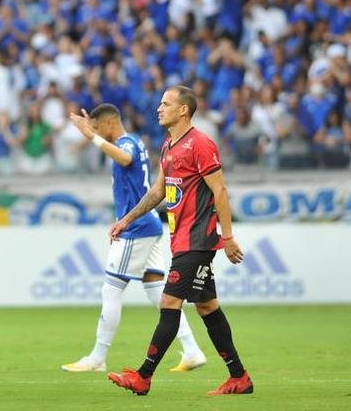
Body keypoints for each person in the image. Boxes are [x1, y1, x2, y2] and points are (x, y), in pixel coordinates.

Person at [107, 86, 252, 397]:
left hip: (197, 239)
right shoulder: (169, 144)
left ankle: (143, 376)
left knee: (169, 302)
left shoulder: (200, 144)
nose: (159, 108)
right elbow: (158, 192)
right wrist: (126, 220)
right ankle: (239, 377)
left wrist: (227, 237)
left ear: (183, 110)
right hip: (182, 238)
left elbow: (220, 191)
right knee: (207, 306)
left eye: (166, 103)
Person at [61, 104, 205, 373]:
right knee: (158, 293)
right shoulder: (137, 140)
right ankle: (192, 350)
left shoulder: (127, 143)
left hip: (136, 227)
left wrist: (91, 136)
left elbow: (124, 159)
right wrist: (91, 133)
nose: (93, 133)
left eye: (96, 127)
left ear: (108, 124)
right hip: (148, 225)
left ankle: (97, 357)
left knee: (111, 289)